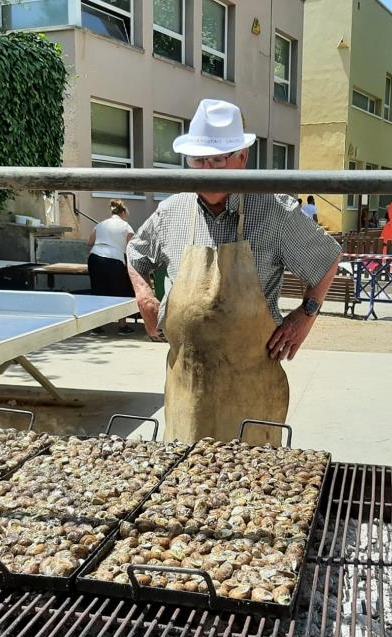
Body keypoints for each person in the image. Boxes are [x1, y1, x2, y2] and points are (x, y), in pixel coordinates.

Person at [126, 98, 341, 443]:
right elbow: (135, 252)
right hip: (186, 392)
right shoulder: (171, 211)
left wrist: (306, 315)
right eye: (199, 160)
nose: (208, 169)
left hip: (251, 396)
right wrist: (145, 298)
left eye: (219, 159)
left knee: (250, 487)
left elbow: (328, 258)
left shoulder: (275, 211)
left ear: (242, 158)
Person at [87, 199, 136, 334]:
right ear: (124, 213)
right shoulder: (126, 226)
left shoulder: (101, 224)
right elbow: (132, 246)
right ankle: (122, 326)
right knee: (120, 292)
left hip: (95, 258)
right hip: (114, 260)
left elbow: (90, 242)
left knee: (98, 291)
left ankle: (96, 326)